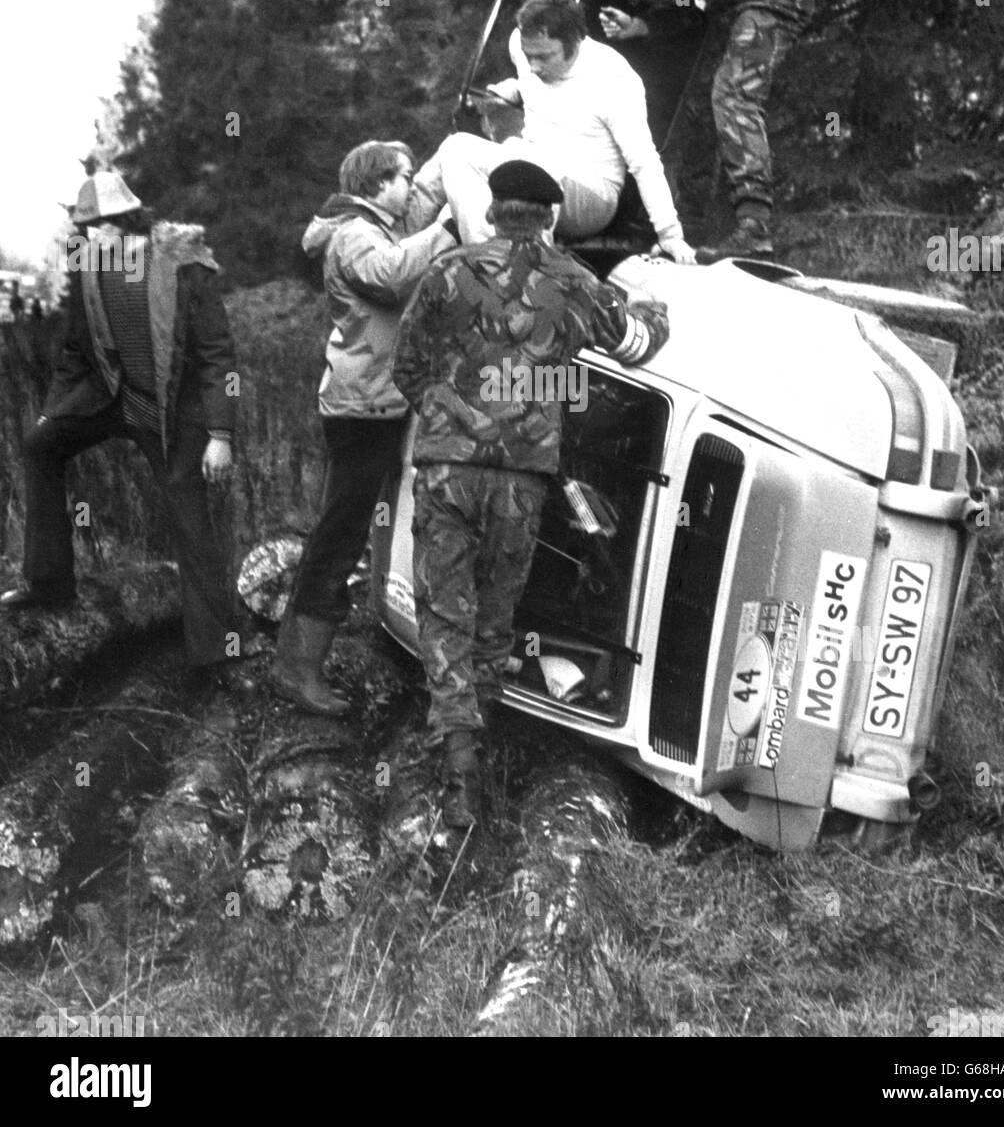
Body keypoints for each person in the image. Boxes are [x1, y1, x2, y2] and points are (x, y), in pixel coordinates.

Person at [391, 158, 669, 828]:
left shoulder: (446, 271)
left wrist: (449, 411)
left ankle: (456, 769)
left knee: (444, 612)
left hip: (446, 469)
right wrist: (654, 312)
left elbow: (406, 369)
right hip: (521, 477)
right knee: (494, 617)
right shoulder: (575, 283)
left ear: (492, 209)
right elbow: (636, 346)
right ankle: (478, 749)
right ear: (548, 218)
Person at [0, 172, 243, 691]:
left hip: (170, 411)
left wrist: (220, 434)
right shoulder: (92, 265)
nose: (88, 239)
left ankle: (216, 651)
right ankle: (49, 585)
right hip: (113, 398)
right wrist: (53, 412)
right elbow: (74, 350)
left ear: (126, 221)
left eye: (97, 228)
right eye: (83, 229)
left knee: (190, 518)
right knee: (40, 446)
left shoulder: (185, 265)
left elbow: (219, 357)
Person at [268, 139, 461, 715]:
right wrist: (450, 225)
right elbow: (395, 275)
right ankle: (297, 669)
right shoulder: (356, 235)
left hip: (372, 402)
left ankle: (320, 646)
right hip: (362, 408)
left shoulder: (366, 226)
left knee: (353, 526)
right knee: (338, 534)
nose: (408, 187)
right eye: (403, 177)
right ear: (376, 183)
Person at [571, 0, 814, 261]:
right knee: (696, 109)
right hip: (730, 6)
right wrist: (641, 27)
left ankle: (755, 229)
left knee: (733, 95)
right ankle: (691, 228)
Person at [412, 0, 696, 263]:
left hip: (591, 193)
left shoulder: (613, 79)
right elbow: (530, 82)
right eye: (528, 55)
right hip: (528, 159)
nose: (533, 65)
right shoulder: (522, 46)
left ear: (575, 43)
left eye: (544, 57)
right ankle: (402, 231)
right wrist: (512, 91)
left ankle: (509, 269)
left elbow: (644, 162)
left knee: (525, 167)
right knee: (456, 148)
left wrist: (670, 234)